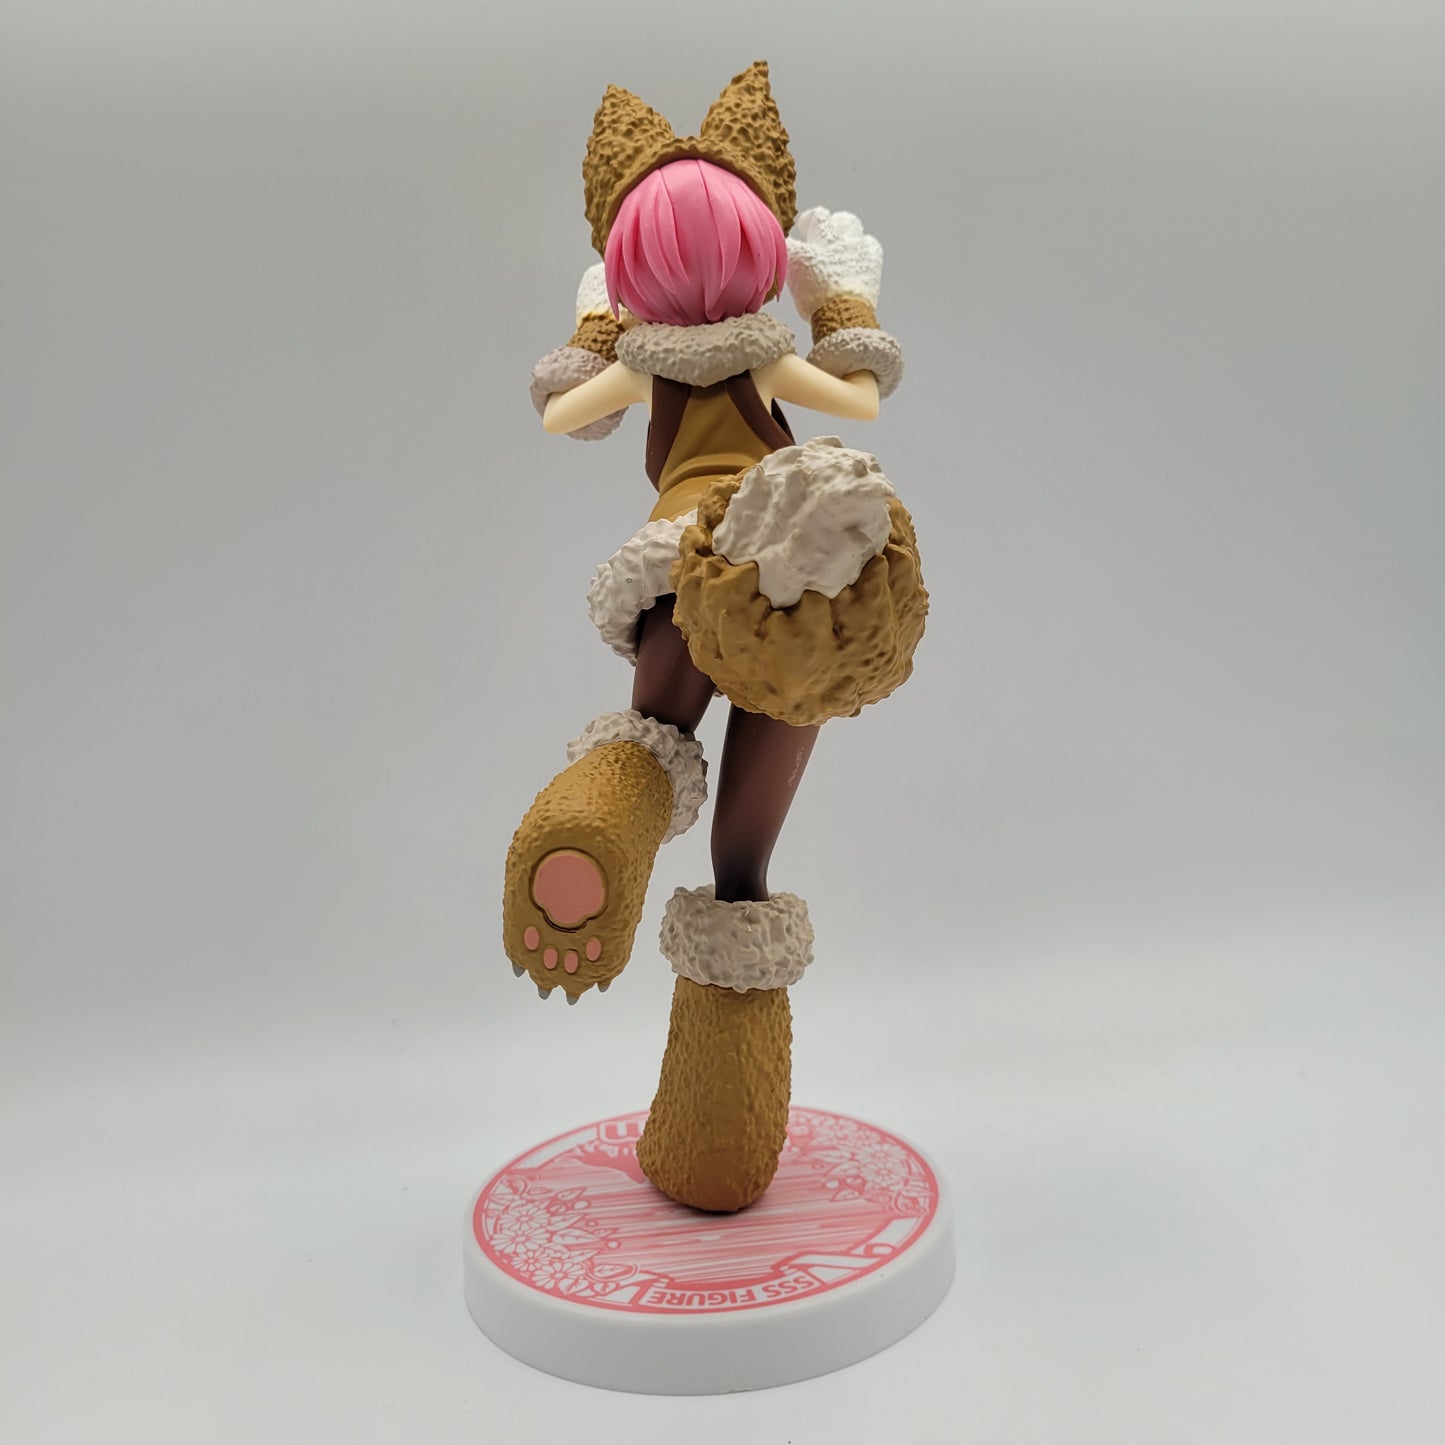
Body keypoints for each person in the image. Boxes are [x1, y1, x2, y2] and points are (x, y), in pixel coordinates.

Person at [504, 63, 923, 1212]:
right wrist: (843, 300)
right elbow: (856, 401)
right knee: (743, 869)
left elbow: (562, 414)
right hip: (783, 578)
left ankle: (609, 811)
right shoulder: (758, 354)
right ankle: (715, 1141)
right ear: (758, 251)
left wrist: (596, 328)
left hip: (682, 561)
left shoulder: (644, 366)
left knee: (651, 732)